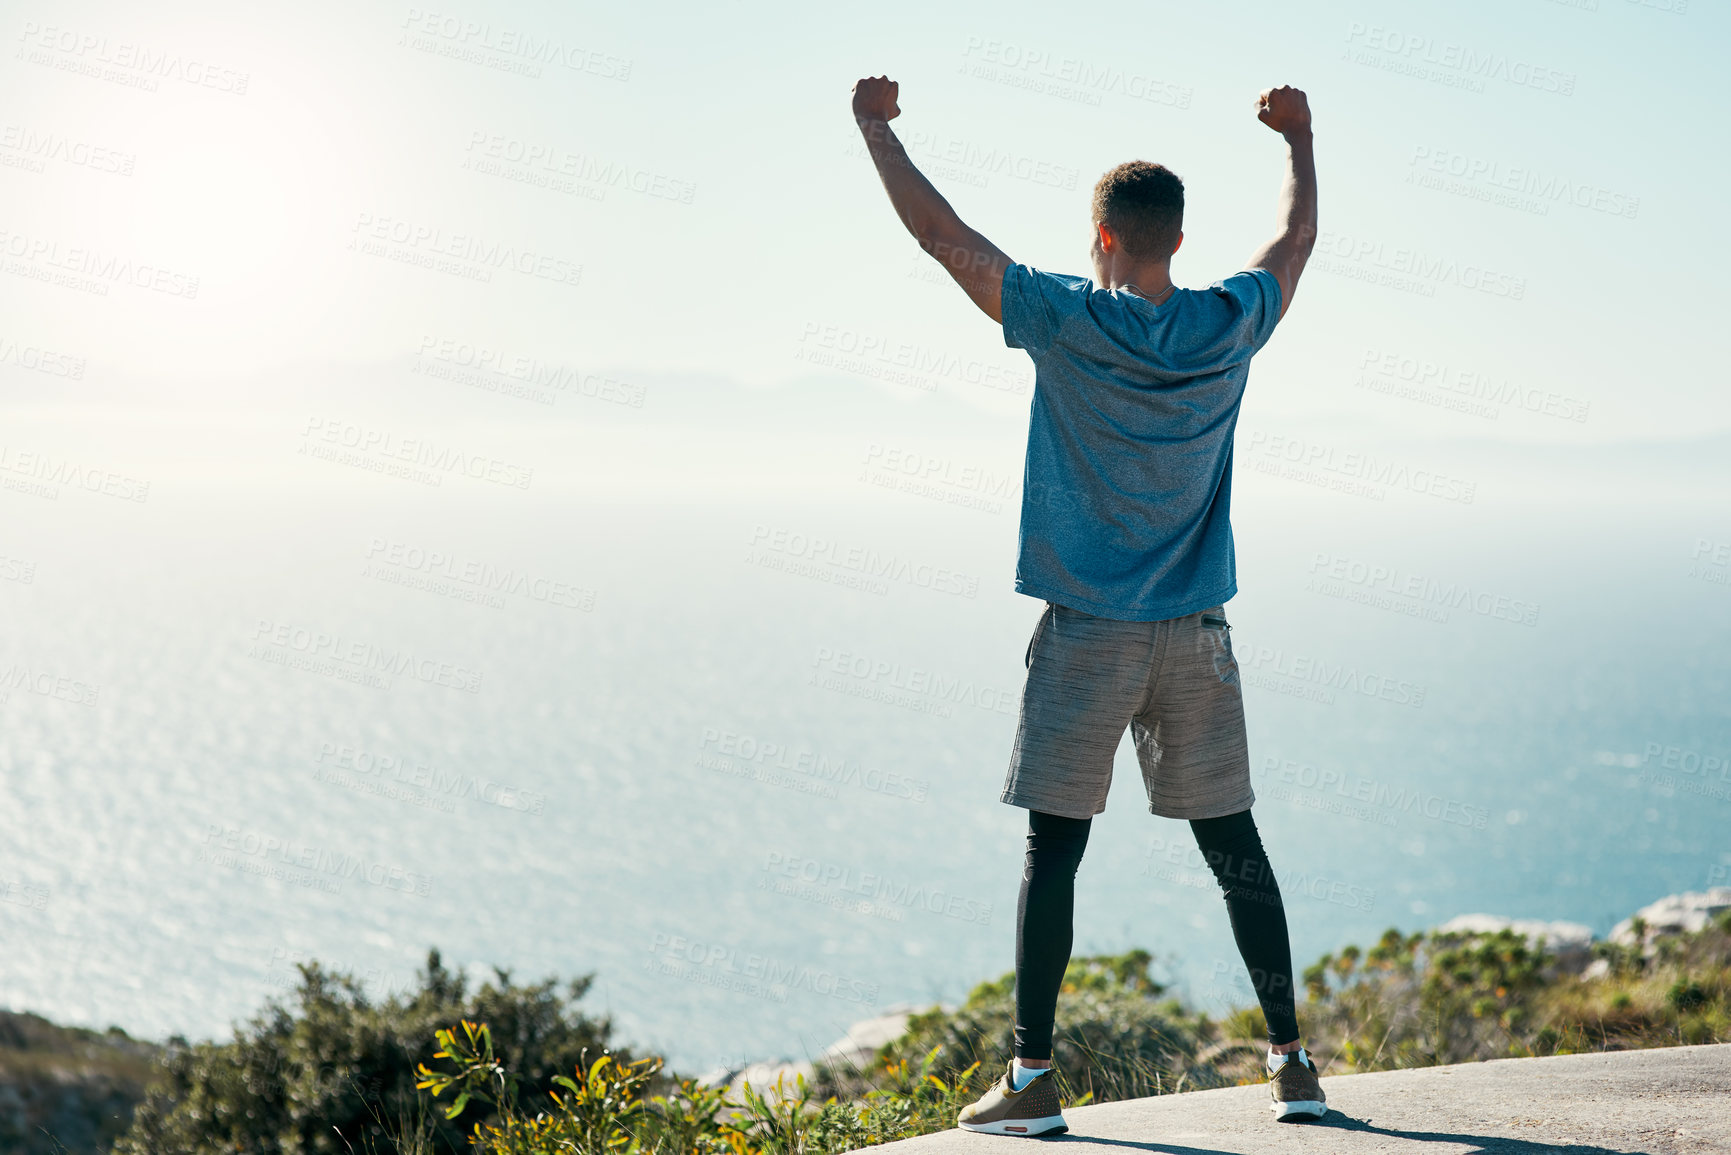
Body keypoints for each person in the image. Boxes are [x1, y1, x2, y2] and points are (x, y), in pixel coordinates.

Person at [849, 75, 1325, 1134]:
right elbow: (1293, 242)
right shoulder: (1228, 324)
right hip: (1199, 636)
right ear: (1178, 236)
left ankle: (1032, 1082)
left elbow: (945, 238)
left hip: (1088, 636)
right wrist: (1299, 138)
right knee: (1235, 845)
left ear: (1103, 235)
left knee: (1053, 853)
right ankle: (1294, 1065)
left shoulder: (1064, 320)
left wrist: (875, 129)